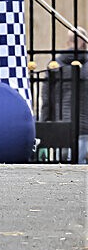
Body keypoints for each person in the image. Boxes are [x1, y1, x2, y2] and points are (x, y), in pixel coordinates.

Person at [53, 27, 88, 163]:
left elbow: (46, 99)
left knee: (59, 167)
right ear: (84, 43)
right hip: (85, 126)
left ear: (68, 42)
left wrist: (46, 120)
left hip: (61, 123)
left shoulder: (55, 65)